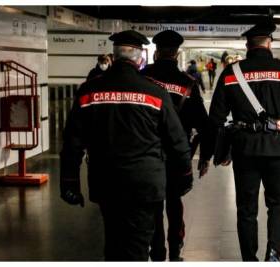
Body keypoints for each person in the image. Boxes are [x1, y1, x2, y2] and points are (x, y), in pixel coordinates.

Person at [59, 30, 193, 261]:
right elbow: (177, 140)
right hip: (145, 183)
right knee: (138, 245)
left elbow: (72, 142)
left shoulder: (89, 90)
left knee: (113, 241)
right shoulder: (155, 92)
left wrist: (69, 182)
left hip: (106, 181)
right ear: (140, 58)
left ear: (113, 56)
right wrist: (184, 176)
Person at [209, 20, 280, 262]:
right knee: (277, 204)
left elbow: (215, 117)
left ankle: (249, 258)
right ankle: (273, 255)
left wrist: (214, 152)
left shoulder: (231, 73)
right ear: (270, 43)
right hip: (278, 149)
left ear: (247, 45)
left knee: (246, 208)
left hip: (244, 149)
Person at [141, 30, 214, 261]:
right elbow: (204, 124)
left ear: (156, 53)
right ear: (177, 53)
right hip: (176, 155)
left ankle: (157, 251)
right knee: (174, 201)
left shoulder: (142, 79)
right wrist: (205, 157)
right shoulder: (187, 84)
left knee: (153, 204)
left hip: (146, 154)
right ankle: (175, 249)